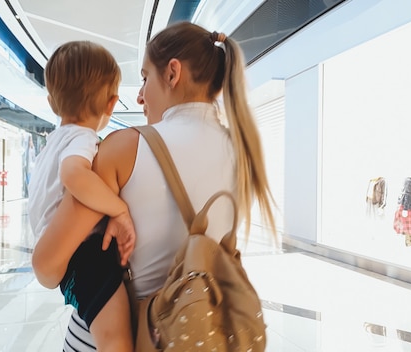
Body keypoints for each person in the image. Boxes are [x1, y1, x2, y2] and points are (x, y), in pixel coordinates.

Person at [32, 22, 276, 351]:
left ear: (173, 73)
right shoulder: (244, 153)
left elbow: (46, 267)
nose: (140, 95)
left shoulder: (123, 148)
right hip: (198, 335)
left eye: (145, 78)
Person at [27, 41, 136, 352]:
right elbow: (74, 175)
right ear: (112, 103)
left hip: (67, 257)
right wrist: (119, 209)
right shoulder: (83, 137)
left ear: (51, 101)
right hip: (85, 255)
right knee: (115, 338)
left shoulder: (52, 144)